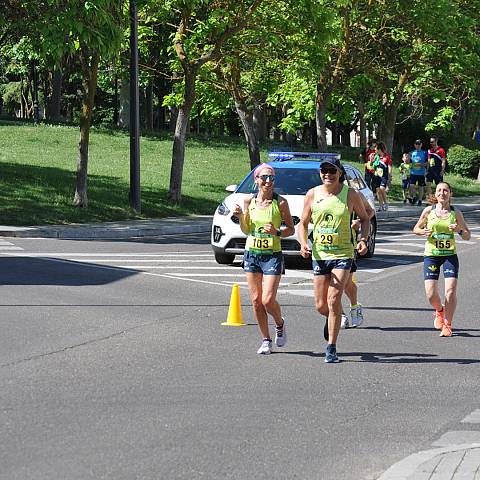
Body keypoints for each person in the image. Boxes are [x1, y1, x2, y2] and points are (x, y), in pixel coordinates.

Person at [298, 158, 370, 363]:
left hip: (343, 254)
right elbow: (302, 224)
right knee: (321, 306)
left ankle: (331, 347)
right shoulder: (312, 194)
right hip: (320, 255)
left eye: (332, 170)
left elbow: (365, 218)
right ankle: (334, 317)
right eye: (324, 170)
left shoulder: (350, 194)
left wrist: (363, 239)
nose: (327, 174)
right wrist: (303, 243)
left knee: (333, 300)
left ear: (339, 173)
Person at [232, 164, 295, 354]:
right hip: (252, 253)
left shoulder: (280, 202)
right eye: (264, 178)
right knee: (256, 300)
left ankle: (279, 323)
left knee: (268, 300)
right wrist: (241, 216)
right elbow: (246, 229)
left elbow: (291, 229)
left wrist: (277, 231)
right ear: (256, 180)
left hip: (272, 256)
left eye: (272, 178)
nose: (268, 182)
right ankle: (265, 339)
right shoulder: (248, 201)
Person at [413, 182, 471, 337]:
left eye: (445, 190)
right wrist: (422, 231)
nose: (442, 193)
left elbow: (467, 235)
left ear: (450, 193)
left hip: (449, 256)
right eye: (439, 190)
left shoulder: (455, 212)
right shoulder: (428, 211)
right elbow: (416, 228)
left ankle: (448, 324)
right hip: (431, 255)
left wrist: (458, 230)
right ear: (436, 194)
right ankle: (440, 310)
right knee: (431, 294)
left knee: (450, 291)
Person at [340, 194, 375, 329]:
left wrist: (359, 222)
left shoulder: (353, 194)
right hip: (325, 249)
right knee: (331, 286)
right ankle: (341, 315)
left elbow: (370, 211)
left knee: (346, 283)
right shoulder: (319, 193)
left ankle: (354, 305)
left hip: (348, 245)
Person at [371, 142, 391, 211]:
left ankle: (386, 204)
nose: (375, 151)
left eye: (376, 149)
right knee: (378, 191)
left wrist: (389, 176)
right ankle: (380, 206)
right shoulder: (376, 157)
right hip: (377, 176)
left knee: (382, 188)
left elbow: (390, 166)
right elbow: (372, 165)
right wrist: (371, 160)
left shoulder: (386, 157)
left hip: (384, 176)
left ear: (380, 150)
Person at [409, 139, 428, 205]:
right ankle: (414, 197)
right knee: (411, 185)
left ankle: (420, 200)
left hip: (421, 173)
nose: (418, 145)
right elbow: (409, 163)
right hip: (413, 173)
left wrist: (421, 165)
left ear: (421, 145)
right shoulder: (411, 153)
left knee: (420, 187)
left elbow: (427, 163)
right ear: (414, 145)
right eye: (416, 144)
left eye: (419, 144)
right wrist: (410, 166)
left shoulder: (424, 153)